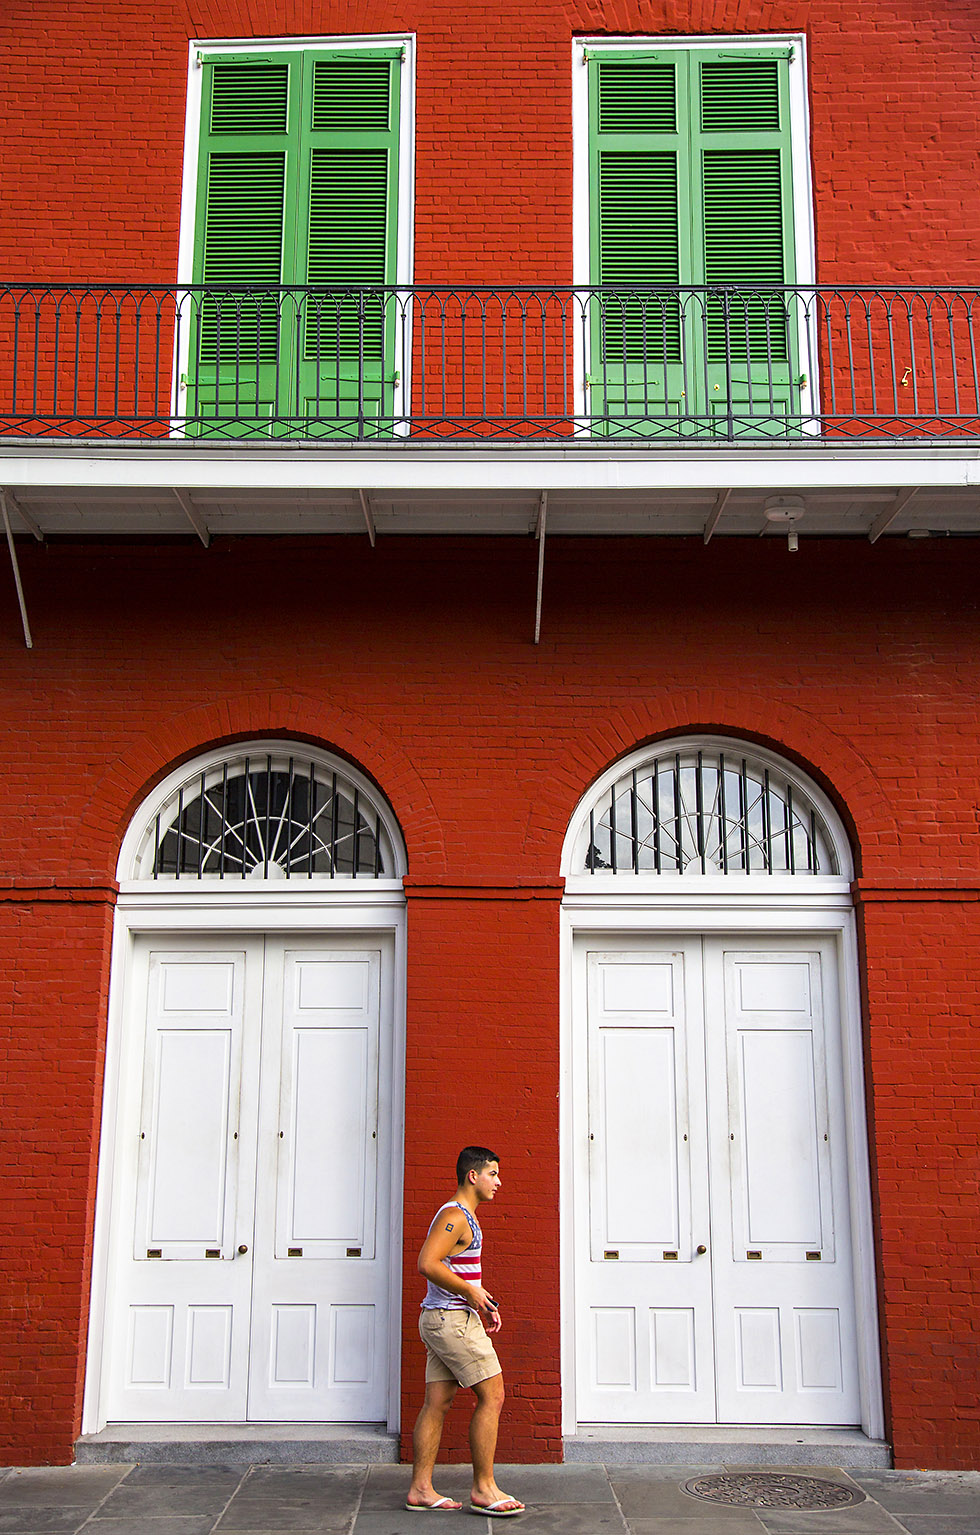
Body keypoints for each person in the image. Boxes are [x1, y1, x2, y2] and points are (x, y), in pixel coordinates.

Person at [405, 1146, 524, 1517]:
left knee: (437, 1403)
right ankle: (484, 1488)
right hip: (449, 1320)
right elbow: (427, 1262)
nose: (498, 1182)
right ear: (473, 1176)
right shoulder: (455, 1216)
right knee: (494, 1394)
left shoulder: (464, 1216)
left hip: (446, 1316)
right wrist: (470, 1292)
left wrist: (479, 1300)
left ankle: (421, 1489)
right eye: (493, 1174)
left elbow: (455, 1268)